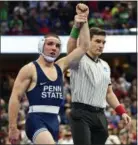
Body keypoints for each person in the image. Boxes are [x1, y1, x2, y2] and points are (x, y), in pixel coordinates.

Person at [8, 4, 90, 144]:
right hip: (36, 120)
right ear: (41, 46)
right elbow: (15, 97)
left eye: (57, 46)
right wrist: (12, 127)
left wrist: (82, 21)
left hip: (54, 121)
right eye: (50, 44)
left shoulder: (60, 66)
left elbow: (83, 47)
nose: (54, 48)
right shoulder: (30, 69)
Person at [67, 4, 132, 145]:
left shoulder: (105, 65)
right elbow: (71, 48)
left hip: (100, 115)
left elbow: (108, 93)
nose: (101, 45)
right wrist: (80, 22)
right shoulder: (78, 59)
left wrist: (122, 112)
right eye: (97, 41)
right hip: (81, 114)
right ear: (87, 41)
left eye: (103, 42)